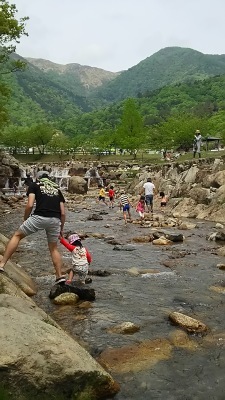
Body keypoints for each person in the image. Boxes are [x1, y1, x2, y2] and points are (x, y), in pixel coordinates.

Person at [0, 170, 66, 284]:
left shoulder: (34, 185)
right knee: (54, 248)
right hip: (55, 220)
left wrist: (25, 218)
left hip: (39, 217)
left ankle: (1, 264)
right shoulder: (57, 189)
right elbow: (63, 213)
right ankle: (59, 276)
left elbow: (30, 204)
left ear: (38, 178)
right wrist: (61, 229)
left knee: (17, 235)